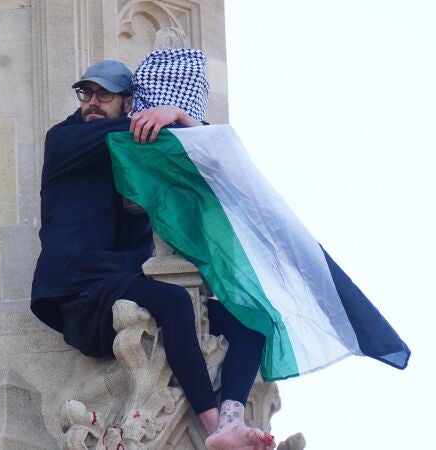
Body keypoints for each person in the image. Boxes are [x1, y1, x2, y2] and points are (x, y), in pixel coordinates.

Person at [30, 59, 276, 450]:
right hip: (79, 293)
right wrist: (170, 117)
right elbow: (156, 137)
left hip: (126, 281)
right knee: (174, 301)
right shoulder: (66, 139)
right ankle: (215, 427)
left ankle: (232, 414)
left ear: (128, 101)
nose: (92, 102)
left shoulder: (137, 150)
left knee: (253, 319)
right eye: (86, 93)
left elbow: (217, 158)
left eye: (104, 94)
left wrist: (175, 113)